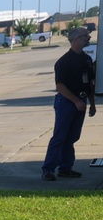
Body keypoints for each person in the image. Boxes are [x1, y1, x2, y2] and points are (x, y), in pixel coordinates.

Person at [41, 28, 96, 181]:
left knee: (72, 137)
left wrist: (92, 104)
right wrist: (76, 101)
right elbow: (60, 86)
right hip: (67, 102)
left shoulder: (86, 59)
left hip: (81, 102)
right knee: (59, 137)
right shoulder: (64, 62)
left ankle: (65, 168)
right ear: (77, 39)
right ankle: (48, 169)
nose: (88, 37)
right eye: (86, 36)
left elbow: (90, 84)